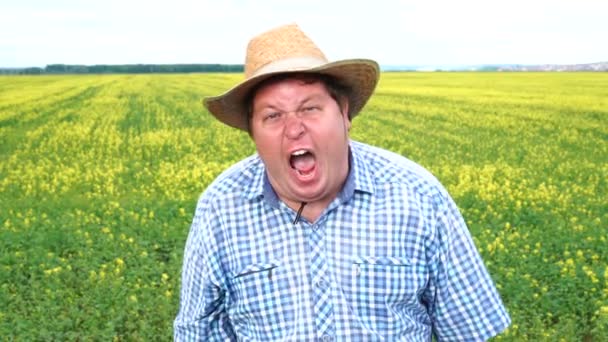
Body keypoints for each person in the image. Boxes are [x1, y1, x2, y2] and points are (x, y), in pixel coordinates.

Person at [174, 23, 511, 341]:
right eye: (272, 116)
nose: (294, 129)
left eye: (309, 108)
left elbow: (469, 329)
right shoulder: (221, 206)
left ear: (345, 113)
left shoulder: (417, 195)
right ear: (252, 133)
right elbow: (197, 331)